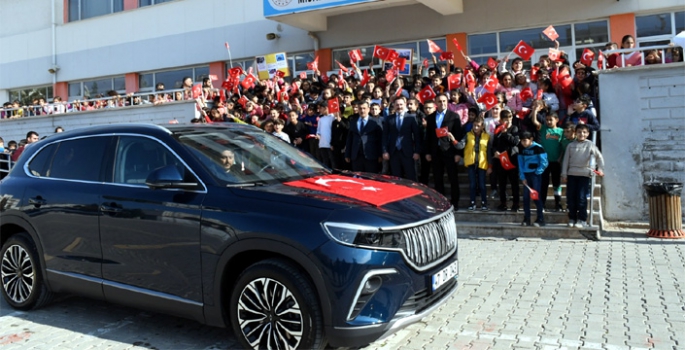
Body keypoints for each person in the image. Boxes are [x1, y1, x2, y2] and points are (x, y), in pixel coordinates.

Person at [424, 94, 464, 210]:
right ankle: (440, 203)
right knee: (437, 178)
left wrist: (458, 153)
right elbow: (428, 136)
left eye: (444, 101)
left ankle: (454, 202)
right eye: (440, 101)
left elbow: (458, 135)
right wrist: (427, 152)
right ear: (436, 103)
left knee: (453, 178)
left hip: (449, 152)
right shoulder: (430, 118)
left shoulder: (454, 116)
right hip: (435, 152)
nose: (442, 103)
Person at [561, 124, 605, 228]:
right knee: (571, 197)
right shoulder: (570, 145)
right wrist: (564, 173)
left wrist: (600, 169)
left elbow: (599, 157)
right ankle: (572, 218)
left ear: (588, 134)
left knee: (581, 198)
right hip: (572, 174)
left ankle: (582, 219)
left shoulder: (590, 145)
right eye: (579, 132)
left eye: (584, 132)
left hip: (584, 175)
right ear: (575, 133)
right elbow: (565, 161)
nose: (582, 134)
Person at [382, 96, 421, 181]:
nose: (399, 107)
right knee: (396, 178)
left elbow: (417, 136)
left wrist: (417, 151)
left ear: (405, 105)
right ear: (394, 106)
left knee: (411, 176)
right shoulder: (389, 118)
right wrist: (385, 151)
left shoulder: (411, 118)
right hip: (393, 152)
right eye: (397, 105)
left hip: (408, 152)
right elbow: (384, 136)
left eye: (401, 104)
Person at [533, 111, 564, 212]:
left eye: (551, 119)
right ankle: (542, 204)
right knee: (544, 183)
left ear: (557, 120)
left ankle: (558, 203)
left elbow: (563, 147)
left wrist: (560, 157)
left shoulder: (561, 131)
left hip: (556, 162)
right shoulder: (544, 129)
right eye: (547, 120)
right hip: (545, 162)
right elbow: (534, 121)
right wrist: (535, 110)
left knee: (556, 184)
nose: (549, 122)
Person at [489, 110, 520, 212]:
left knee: (514, 183)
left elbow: (515, 142)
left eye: (510, 117)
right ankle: (503, 203)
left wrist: (505, 133)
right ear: (501, 120)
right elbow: (494, 144)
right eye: (506, 118)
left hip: (511, 159)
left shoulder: (514, 128)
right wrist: (495, 152)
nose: (508, 120)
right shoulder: (498, 128)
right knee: (502, 183)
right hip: (500, 160)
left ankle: (516, 203)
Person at [518, 132, 549, 227]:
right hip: (526, 176)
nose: (523, 143)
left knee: (536, 197)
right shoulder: (521, 149)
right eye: (521, 141)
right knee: (526, 198)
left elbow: (544, 162)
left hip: (535, 175)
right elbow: (521, 164)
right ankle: (527, 218)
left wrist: (537, 172)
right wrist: (522, 177)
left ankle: (540, 218)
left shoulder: (538, 148)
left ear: (531, 139)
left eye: (525, 140)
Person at [460, 116, 491, 211]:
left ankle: (484, 203)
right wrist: (453, 140)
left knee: (482, 184)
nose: (476, 128)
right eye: (474, 125)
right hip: (471, 163)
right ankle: (472, 202)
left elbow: (489, 152)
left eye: (478, 126)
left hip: (482, 163)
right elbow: (460, 145)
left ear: (482, 127)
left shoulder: (487, 136)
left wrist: (490, 165)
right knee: (472, 184)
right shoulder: (468, 135)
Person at [345, 101, 383, 173]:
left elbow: (380, 139)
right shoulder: (353, 122)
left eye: (364, 108)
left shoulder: (375, 122)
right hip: (356, 156)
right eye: (360, 108)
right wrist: (347, 154)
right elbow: (350, 139)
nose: (362, 110)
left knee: (370, 179)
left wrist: (380, 155)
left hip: (371, 156)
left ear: (368, 109)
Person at [316, 101, 335, 168]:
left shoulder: (333, 117)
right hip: (322, 144)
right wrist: (318, 134)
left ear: (326, 108)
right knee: (325, 161)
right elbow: (318, 130)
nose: (319, 110)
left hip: (330, 144)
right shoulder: (321, 119)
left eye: (320, 108)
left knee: (333, 161)